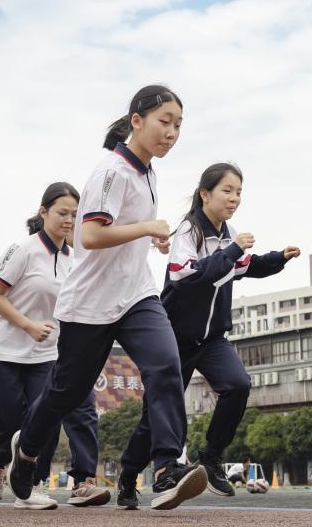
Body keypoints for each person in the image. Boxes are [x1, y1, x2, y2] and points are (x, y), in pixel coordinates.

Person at [7, 85, 209, 513]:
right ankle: (25, 452)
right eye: (164, 122)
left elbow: (124, 231)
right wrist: (148, 228)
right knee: (66, 392)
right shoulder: (112, 171)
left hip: (136, 294)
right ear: (136, 120)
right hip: (90, 303)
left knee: (166, 366)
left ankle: (168, 466)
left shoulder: (148, 172)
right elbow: (91, 235)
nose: (172, 133)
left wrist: (149, 238)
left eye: (178, 126)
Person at [119, 162, 299, 497]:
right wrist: (232, 251)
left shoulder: (228, 233)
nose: (234, 199)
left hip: (212, 338)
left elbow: (244, 267)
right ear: (205, 194)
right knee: (156, 416)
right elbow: (184, 275)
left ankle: (211, 457)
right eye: (227, 191)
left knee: (238, 385)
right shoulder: (190, 231)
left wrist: (279, 258)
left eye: (239, 192)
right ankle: (129, 476)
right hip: (175, 338)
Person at [0, 182, 107, 511]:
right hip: (3, 349)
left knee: (47, 417)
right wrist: (27, 324)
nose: (69, 220)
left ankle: (30, 487)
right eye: (62, 213)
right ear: (43, 212)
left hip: (46, 353)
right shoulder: (23, 250)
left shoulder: (75, 259)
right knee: (7, 418)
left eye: (75, 215)